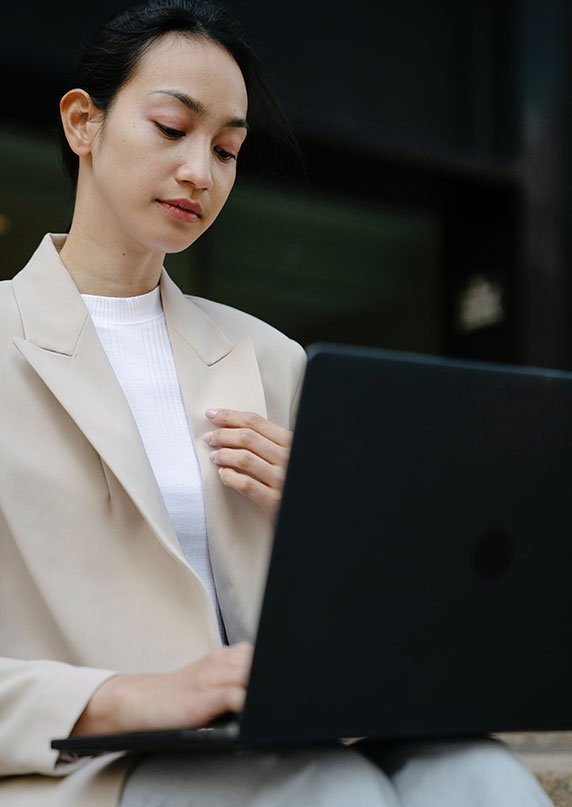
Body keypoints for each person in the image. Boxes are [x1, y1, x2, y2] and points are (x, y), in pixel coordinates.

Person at [0, 1, 553, 805]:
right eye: (170, 128)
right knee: (327, 789)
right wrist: (122, 695)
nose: (203, 171)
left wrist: (332, 520)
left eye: (228, 149)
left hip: (275, 736)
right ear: (82, 122)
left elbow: (359, 615)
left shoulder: (270, 358)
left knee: (482, 776)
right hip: (87, 766)